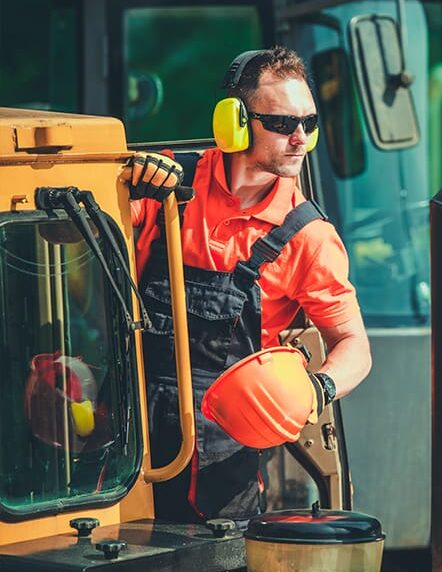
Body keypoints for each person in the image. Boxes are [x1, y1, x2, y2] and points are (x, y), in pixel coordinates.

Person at [125, 47, 371, 523]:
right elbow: (70, 236)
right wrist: (127, 184)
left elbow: (354, 345)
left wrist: (317, 388)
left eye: (309, 123)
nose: (300, 138)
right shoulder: (166, 184)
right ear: (235, 123)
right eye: (282, 124)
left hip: (223, 457)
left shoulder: (309, 237)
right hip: (130, 439)